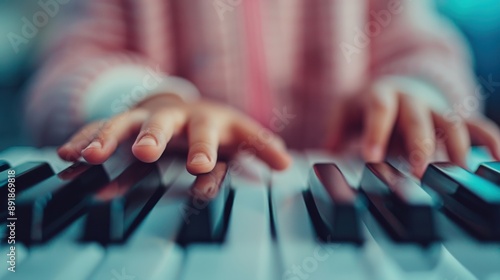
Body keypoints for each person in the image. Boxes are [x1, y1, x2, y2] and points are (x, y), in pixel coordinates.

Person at [25, 0, 500, 176]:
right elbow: (66, 69)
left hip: (363, 191)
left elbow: (425, 50)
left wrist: (414, 92)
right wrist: (150, 100)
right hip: (164, 193)